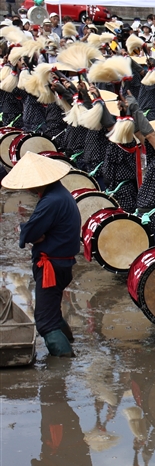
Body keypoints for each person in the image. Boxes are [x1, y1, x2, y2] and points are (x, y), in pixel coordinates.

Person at [5, 153, 79, 357]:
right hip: (62, 264)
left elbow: (30, 232)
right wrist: (32, 231)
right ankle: (69, 341)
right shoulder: (60, 194)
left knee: (45, 321)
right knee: (52, 310)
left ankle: (65, 362)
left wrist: (26, 230)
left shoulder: (51, 202)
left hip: (52, 267)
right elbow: (34, 231)